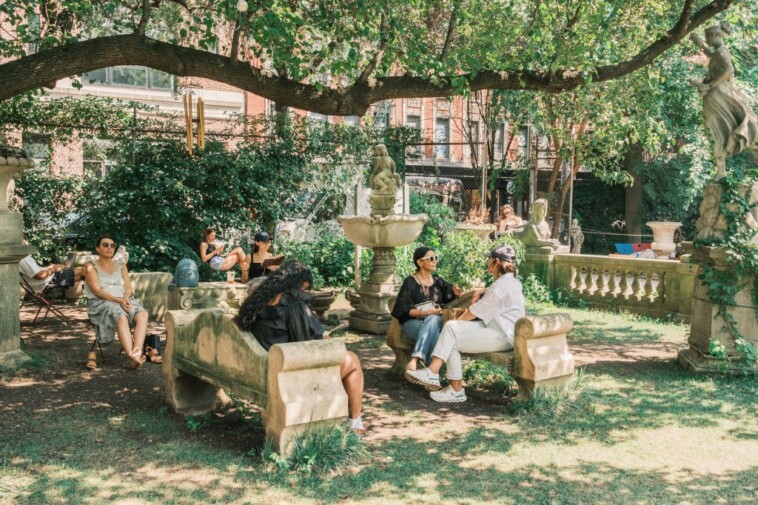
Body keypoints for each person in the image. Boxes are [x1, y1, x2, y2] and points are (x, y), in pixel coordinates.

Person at [235, 262, 366, 433]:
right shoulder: (292, 303)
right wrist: (324, 337)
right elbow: (308, 344)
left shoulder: (257, 301)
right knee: (352, 361)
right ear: (296, 284)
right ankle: (355, 423)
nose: (304, 292)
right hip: (290, 374)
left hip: (266, 367)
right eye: (304, 288)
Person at [406, 245, 525, 403]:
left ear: (496, 262)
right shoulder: (510, 281)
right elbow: (496, 290)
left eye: (489, 259)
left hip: (502, 335)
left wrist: (456, 323)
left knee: (452, 338)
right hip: (494, 327)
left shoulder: (500, 286)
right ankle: (432, 374)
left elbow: (473, 313)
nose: (487, 262)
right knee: (449, 327)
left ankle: (456, 391)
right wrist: (481, 291)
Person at [690, 22, 758, 180]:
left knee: (718, 131)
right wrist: (698, 41)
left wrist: (709, 86)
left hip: (720, 96)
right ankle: (721, 171)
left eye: (707, 37)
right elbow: (709, 53)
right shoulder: (717, 51)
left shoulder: (722, 51)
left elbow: (729, 70)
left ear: (715, 36)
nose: (707, 41)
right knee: (715, 132)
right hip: (715, 96)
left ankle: (722, 171)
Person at [84, 234, 155, 369]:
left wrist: (126, 299)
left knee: (142, 314)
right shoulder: (90, 266)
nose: (109, 248)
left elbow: (128, 288)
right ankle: (131, 356)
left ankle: (137, 351)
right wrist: (119, 301)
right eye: (105, 245)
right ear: (97, 248)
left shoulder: (120, 264)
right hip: (101, 302)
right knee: (120, 316)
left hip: (123, 299)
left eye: (112, 245)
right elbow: (97, 290)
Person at [390, 247, 461, 378]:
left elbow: (450, 293)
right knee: (437, 333)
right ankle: (434, 377)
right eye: (431, 258)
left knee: (434, 321)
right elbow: (402, 309)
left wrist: (456, 292)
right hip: (413, 323)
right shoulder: (410, 282)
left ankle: (418, 361)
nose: (435, 261)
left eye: (436, 258)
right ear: (420, 262)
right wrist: (425, 313)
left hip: (434, 323)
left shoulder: (438, 281)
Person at [19, 252, 84, 294]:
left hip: (47, 280)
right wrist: (54, 269)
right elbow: (40, 275)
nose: (25, 242)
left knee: (85, 275)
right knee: (85, 272)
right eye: (22, 239)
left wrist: (49, 267)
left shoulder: (18, 257)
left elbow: (37, 272)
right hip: (49, 280)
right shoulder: (23, 258)